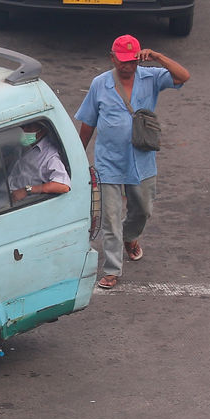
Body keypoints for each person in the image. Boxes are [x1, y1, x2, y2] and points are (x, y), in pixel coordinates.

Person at [75, 34, 189, 290]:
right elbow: (88, 124)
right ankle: (113, 269)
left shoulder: (151, 77)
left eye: (133, 60)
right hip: (109, 164)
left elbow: (183, 76)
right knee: (110, 219)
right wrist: (77, 156)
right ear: (113, 58)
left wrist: (158, 56)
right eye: (123, 60)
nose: (128, 65)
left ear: (139, 57)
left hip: (142, 161)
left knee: (143, 210)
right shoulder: (99, 84)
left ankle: (131, 236)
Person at [6, 121, 71, 204]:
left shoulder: (50, 156)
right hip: (6, 192)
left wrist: (27, 190)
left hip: (20, 203)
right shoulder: (23, 146)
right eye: (23, 128)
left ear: (42, 131)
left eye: (29, 127)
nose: (24, 131)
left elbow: (63, 186)